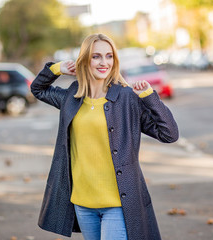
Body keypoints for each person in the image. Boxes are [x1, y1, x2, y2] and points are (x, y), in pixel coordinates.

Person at [31, 33, 179, 240]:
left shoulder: (127, 98)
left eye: (109, 56)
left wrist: (149, 97)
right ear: (84, 60)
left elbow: (169, 134)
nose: (104, 62)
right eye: (96, 56)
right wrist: (57, 68)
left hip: (118, 204)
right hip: (83, 203)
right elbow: (37, 89)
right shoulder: (72, 98)